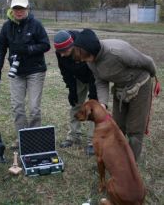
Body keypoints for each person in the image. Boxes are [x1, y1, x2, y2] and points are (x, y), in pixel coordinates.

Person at [73, 28, 157, 161]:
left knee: (134, 129)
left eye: (87, 57)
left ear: (94, 50)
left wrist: (151, 77)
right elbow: (100, 81)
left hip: (140, 85)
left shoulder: (118, 52)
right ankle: (115, 160)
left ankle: (130, 164)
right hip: (120, 88)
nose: (85, 61)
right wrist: (103, 103)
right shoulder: (90, 61)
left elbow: (148, 62)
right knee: (117, 126)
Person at [0, 0, 50, 149]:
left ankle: (34, 139)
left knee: (33, 108)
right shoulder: (6, 27)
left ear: (27, 8)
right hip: (16, 72)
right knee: (17, 107)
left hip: (35, 71)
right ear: (11, 9)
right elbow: (1, 47)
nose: (19, 11)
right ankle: (22, 138)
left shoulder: (36, 24)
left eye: (22, 8)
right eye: (16, 8)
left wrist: (28, 49)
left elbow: (46, 45)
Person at [54, 30, 97, 154]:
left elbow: (95, 70)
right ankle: (73, 136)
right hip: (78, 77)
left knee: (93, 107)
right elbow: (64, 70)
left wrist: (93, 94)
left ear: (72, 45)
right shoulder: (60, 52)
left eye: (64, 52)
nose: (61, 55)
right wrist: (71, 89)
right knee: (75, 105)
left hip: (94, 76)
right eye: (59, 52)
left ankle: (92, 142)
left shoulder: (84, 46)